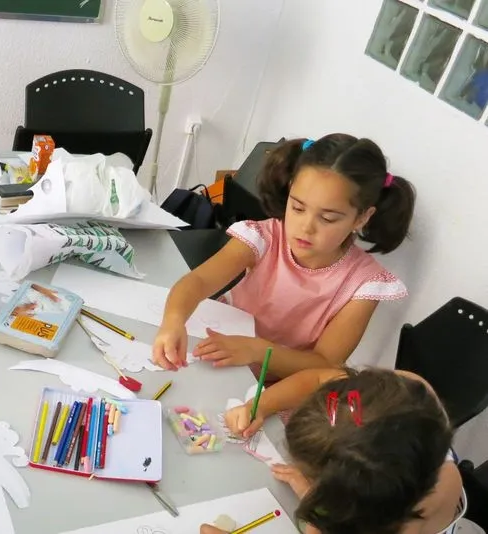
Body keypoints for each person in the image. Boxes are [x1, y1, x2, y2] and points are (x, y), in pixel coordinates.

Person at [152, 134, 415, 380]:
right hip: (215, 357)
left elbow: (326, 364)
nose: (305, 227)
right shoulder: (267, 236)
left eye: (327, 218)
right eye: (298, 207)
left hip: (273, 387)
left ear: (361, 217)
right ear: (289, 191)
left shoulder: (364, 284)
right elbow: (198, 281)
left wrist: (257, 351)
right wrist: (173, 321)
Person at [207, 367, 465, 534]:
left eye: (313, 478)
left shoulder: (402, 522)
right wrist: (260, 405)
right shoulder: (403, 391)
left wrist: (311, 500)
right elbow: (320, 377)